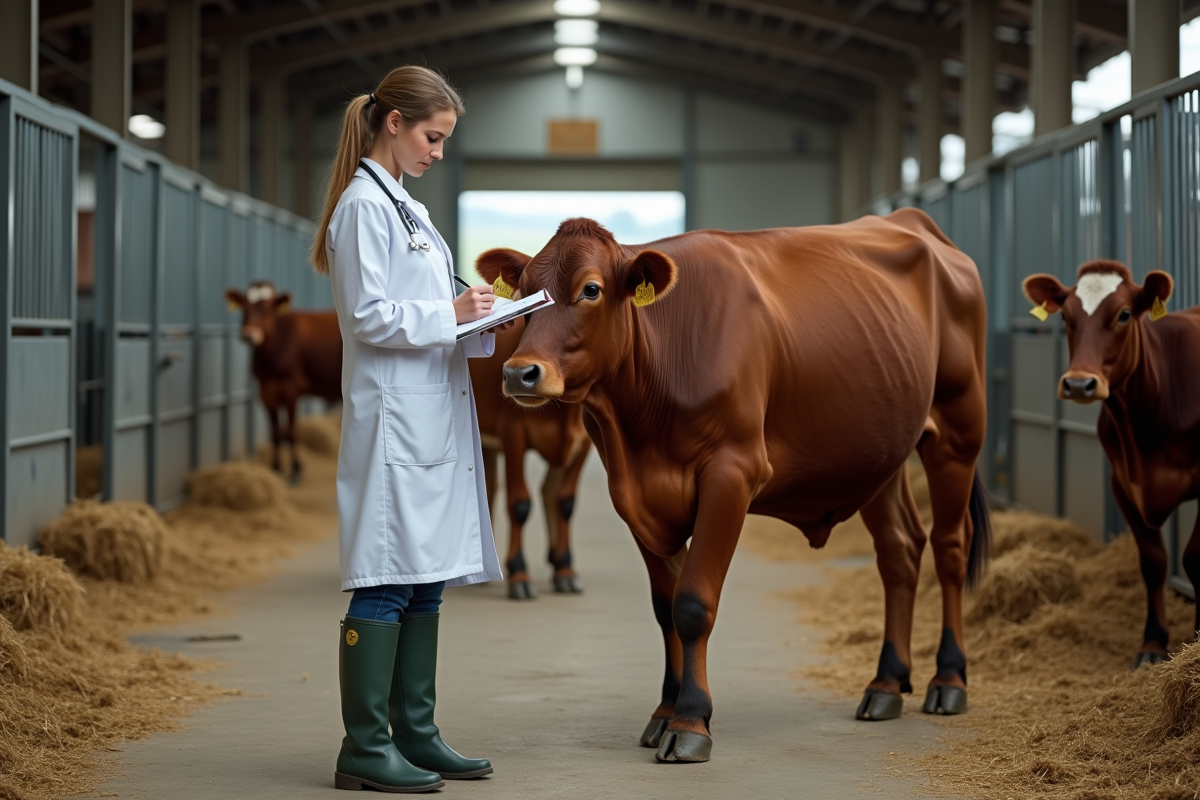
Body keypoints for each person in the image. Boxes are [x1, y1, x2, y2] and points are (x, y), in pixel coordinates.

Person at [310, 65, 510, 794]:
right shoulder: (364, 207)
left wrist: (477, 314)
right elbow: (365, 318)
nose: (438, 152)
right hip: (395, 423)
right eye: (432, 137)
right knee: (387, 579)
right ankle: (364, 745)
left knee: (425, 583)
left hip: (427, 415)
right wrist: (449, 317)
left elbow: (421, 311)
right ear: (392, 124)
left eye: (444, 140)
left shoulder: (408, 211)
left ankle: (416, 735)